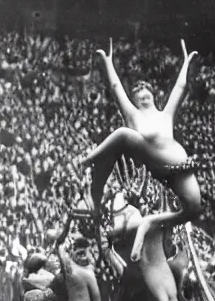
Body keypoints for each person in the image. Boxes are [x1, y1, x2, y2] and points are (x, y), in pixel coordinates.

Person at [74, 38, 202, 262]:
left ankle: (147, 225)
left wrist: (185, 62)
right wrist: (108, 63)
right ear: (134, 100)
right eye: (138, 95)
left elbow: (179, 88)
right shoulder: (133, 116)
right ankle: (88, 160)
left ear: (153, 96)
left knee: (191, 210)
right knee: (123, 134)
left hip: (183, 174)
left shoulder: (166, 115)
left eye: (147, 94)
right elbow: (116, 89)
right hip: (157, 162)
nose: (143, 96)